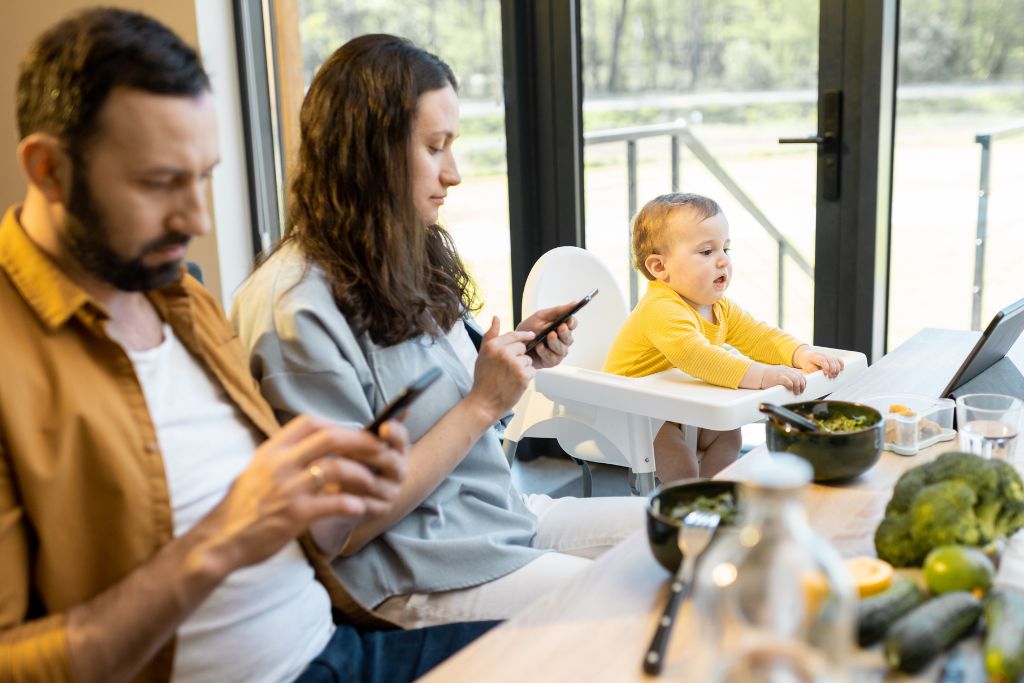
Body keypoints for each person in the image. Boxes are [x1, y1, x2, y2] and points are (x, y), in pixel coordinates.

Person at [0, 9, 495, 683]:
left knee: (606, 648)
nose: (198, 219)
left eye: (203, 176)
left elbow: (300, 535)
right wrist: (218, 542)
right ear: (48, 170)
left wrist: (328, 496)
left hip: (338, 645)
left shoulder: (179, 300)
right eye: (159, 183)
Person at [231, 34, 645, 630]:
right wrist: (482, 403)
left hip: (499, 520)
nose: (453, 174)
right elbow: (341, 532)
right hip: (416, 569)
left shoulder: (401, 259)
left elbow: (454, 411)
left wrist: (513, 362)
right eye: (434, 147)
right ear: (368, 153)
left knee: (695, 533)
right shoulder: (295, 309)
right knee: (639, 607)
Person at [603, 193, 845, 482]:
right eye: (706, 252)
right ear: (660, 268)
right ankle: (690, 509)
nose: (722, 262)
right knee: (679, 464)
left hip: (675, 403)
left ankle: (717, 495)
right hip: (630, 410)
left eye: (725, 250)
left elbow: (758, 335)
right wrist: (764, 375)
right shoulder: (660, 308)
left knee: (728, 435)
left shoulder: (716, 305)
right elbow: (698, 357)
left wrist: (800, 354)